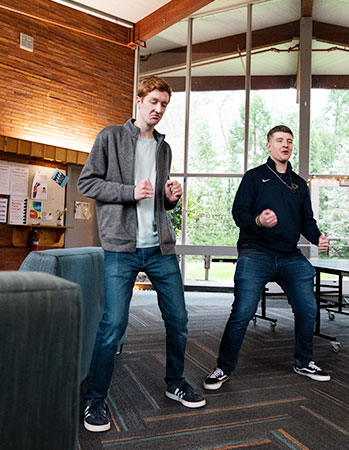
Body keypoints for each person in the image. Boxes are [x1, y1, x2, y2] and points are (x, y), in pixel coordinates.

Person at [78, 76, 205, 433]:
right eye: (153, 101)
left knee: (178, 319)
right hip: (122, 247)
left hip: (160, 247)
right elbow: (87, 182)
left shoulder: (163, 148)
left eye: (164, 104)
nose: (158, 109)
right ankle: (95, 400)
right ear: (138, 101)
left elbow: (159, 201)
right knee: (114, 324)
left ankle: (175, 381)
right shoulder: (111, 137)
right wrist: (129, 191)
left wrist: (171, 197)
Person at [203, 125, 331, 391]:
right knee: (242, 312)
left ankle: (304, 361)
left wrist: (317, 237)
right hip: (256, 252)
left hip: (290, 256)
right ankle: (223, 368)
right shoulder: (254, 177)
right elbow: (239, 214)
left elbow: (307, 221)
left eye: (289, 141)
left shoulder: (299, 184)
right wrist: (258, 220)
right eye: (279, 140)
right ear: (269, 146)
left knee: (308, 309)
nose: (285, 145)